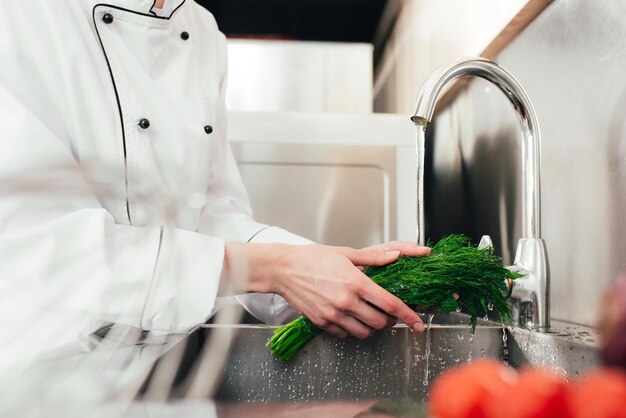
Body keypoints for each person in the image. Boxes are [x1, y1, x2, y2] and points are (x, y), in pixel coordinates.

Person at [0, 0, 428, 354]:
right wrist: (279, 268)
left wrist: (336, 270)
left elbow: (209, 213)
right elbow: (46, 245)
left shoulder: (202, 30)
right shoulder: (21, 18)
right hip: (45, 367)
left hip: (164, 365)